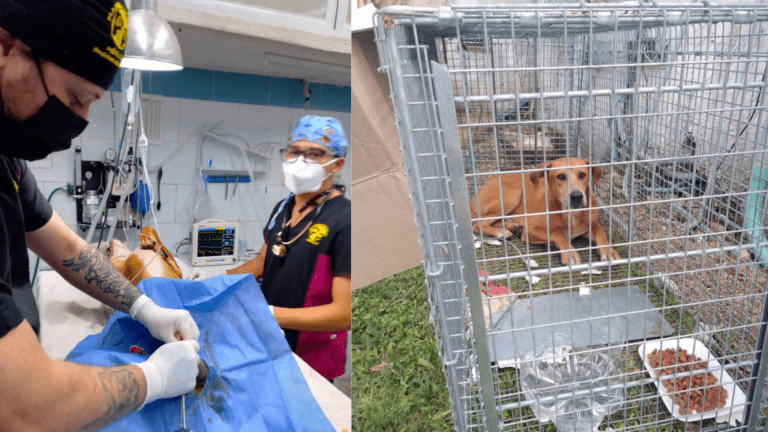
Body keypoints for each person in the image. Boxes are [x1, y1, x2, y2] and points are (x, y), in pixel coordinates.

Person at [0, 1, 201, 430]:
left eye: (91, 104)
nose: (80, 121)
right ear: (6, 45)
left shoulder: (6, 155)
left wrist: (143, 306)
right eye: (73, 98)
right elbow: (24, 408)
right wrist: (154, 377)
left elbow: (65, 246)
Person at [192, 115, 351, 381]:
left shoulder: (344, 220)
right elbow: (263, 261)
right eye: (295, 152)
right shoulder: (282, 208)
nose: (301, 161)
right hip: (268, 341)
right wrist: (212, 280)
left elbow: (344, 313)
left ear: (337, 164)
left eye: (315, 154)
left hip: (310, 355)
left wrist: (271, 314)